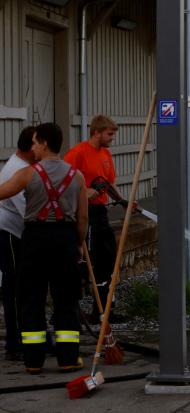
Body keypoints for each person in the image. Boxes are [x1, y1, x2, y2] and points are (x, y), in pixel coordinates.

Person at [0, 122, 88, 373]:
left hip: (35, 240)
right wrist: (79, 244)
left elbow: (3, 192)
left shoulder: (28, 174)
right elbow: (83, 219)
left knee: (31, 299)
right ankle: (68, 358)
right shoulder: (77, 176)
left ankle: (33, 361)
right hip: (65, 240)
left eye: (36, 142)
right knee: (66, 300)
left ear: (45, 143)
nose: (34, 147)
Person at [64, 115, 118, 321]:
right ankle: (71, 308)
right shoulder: (78, 153)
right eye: (109, 134)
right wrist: (84, 191)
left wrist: (123, 201)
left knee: (107, 256)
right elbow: (63, 180)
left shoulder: (106, 154)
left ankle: (103, 309)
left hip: (101, 212)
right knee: (87, 260)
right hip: (85, 213)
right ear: (97, 132)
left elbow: (110, 183)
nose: (112, 138)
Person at [0, 127, 36, 361]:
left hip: (18, 233)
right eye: (41, 143)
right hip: (9, 233)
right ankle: (15, 343)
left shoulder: (25, 167)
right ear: (32, 148)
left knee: (24, 288)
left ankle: (27, 337)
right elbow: (29, 210)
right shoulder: (17, 170)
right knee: (14, 289)